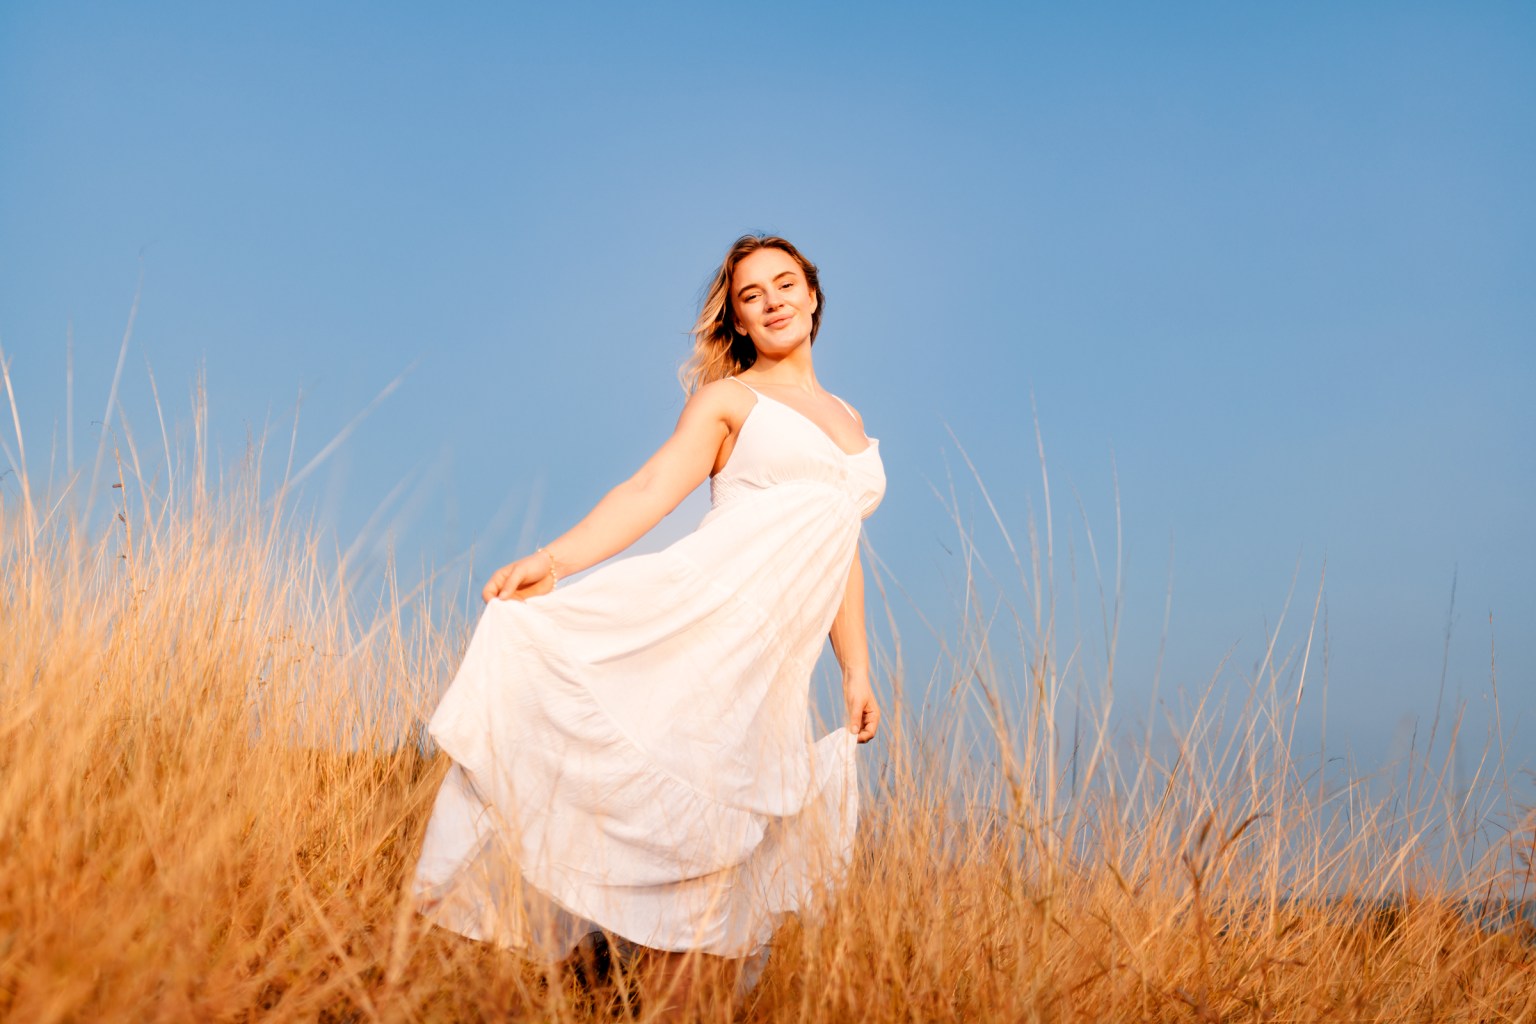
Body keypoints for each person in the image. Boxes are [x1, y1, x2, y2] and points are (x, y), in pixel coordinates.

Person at [412, 234, 886, 1012]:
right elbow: (649, 487)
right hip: (705, 628)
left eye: (784, 283)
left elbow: (840, 548)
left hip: (774, 672)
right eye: (750, 295)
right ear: (735, 319)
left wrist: (857, 669)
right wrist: (556, 561)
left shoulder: (847, 415)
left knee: (719, 881)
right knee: (686, 832)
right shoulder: (732, 400)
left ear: (813, 295)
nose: (771, 300)